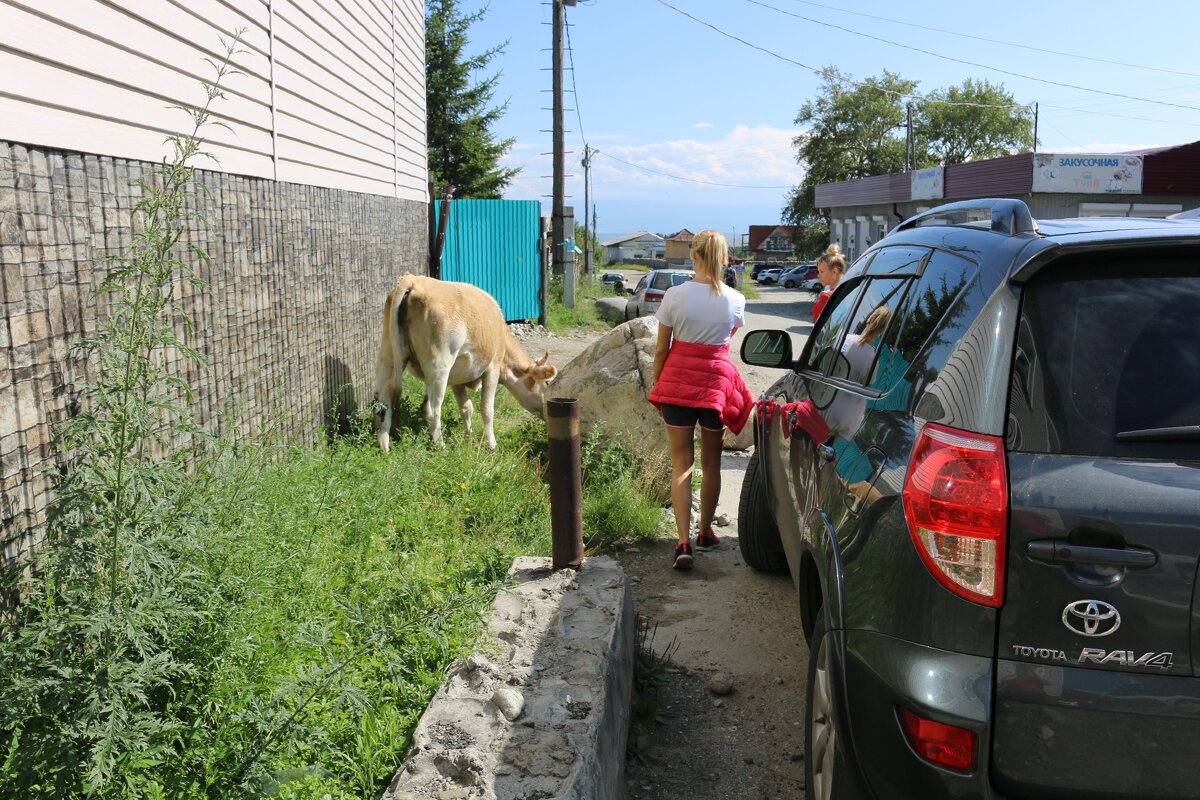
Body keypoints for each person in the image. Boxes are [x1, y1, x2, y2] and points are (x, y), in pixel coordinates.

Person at [648, 230, 754, 570]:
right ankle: (705, 531)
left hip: (677, 381)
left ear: (693, 256)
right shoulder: (735, 299)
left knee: (682, 464)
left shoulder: (674, 296)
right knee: (712, 463)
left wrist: (658, 384)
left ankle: (682, 541)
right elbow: (723, 343)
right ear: (725, 258)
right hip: (715, 387)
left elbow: (662, 348)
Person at [811, 243, 847, 320]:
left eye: (822, 272)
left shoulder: (827, 297)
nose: (818, 275)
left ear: (834, 272)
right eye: (818, 272)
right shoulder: (850, 289)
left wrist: (823, 299)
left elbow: (816, 316)